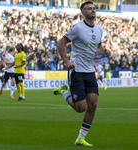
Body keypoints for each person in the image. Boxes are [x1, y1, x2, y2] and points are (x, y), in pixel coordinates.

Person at [54, 1, 111, 146]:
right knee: (81, 108)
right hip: (77, 71)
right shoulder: (77, 28)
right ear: (82, 12)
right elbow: (60, 43)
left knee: (93, 104)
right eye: (89, 8)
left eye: (93, 8)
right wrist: (67, 62)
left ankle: (80, 137)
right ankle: (64, 92)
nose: (92, 10)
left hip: (90, 71)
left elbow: (97, 48)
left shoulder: (99, 29)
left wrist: (104, 51)